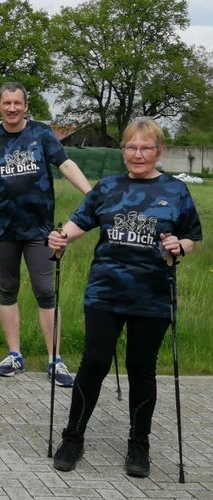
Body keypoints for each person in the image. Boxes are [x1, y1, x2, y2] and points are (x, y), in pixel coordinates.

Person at [48, 117, 202, 477]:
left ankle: (139, 443)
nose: (138, 153)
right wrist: (59, 238)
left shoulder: (176, 190)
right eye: (131, 147)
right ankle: (72, 437)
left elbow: (192, 237)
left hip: (152, 295)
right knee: (94, 363)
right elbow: (78, 223)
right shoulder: (107, 187)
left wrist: (180, 245)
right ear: (123, 151)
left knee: (141, 369)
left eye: (146, 147)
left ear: (159, 151)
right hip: (105, 291)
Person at [0, 82, 92, 386]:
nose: (12, 108)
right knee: (7, 289)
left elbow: (65, 164)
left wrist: (92, 194)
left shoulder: (41, 134)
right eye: (6, 103)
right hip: (4, 228)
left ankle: (55, 358)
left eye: (18, 103)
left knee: (45, 291)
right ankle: (14, 354)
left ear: (26, 106)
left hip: (39, 229)